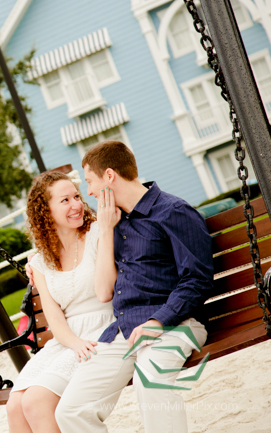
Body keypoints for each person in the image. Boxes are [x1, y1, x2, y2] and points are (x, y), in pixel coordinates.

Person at [54, 141, 214, 433]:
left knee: (150, 382)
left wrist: (157, 321)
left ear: (110, 176)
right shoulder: (114, 221)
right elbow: (100, 286)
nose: (88, 191)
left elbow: (197, 280)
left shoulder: (173, 211)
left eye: (89, 181)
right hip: (123, 330)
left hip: (177, 323)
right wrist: (105, 229)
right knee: (70, 410)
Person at [7, 170, 120, 433]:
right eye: (65, 201)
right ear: (45, 211)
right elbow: (54, 319)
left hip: (102, 328)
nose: (77, 205)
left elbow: (107, 291)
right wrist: (73, 342)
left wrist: (106, 230)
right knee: (15, 405)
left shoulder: (97, 235)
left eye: (77, 197)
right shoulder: (41, 261)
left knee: (36, 401)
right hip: (67, 339)